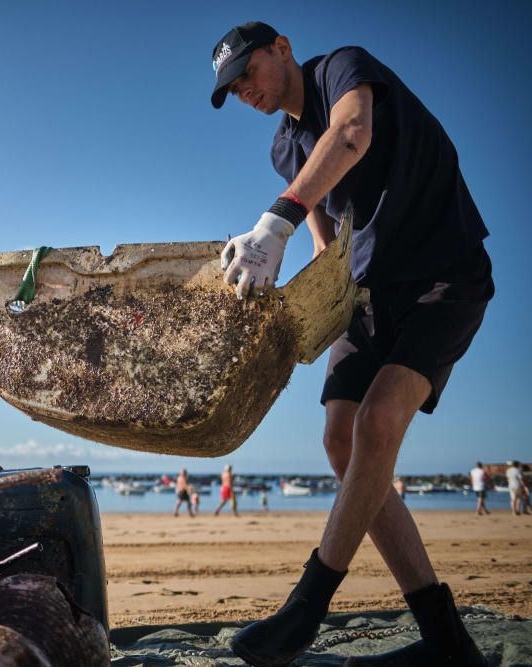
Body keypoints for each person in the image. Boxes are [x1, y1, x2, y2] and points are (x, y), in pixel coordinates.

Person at [211, 22, 493, 666]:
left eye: (247, 72)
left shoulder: (341, 67)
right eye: (232, 89)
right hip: (366, 296)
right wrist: (291, 314)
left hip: (442, 274)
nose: (245, 92)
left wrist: (272, 221)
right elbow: (326, 251)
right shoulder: (285, 150)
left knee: (378, 421)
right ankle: (445, 635)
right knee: (340, 440)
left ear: (280, 47)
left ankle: (305, 609)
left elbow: (350, 134)